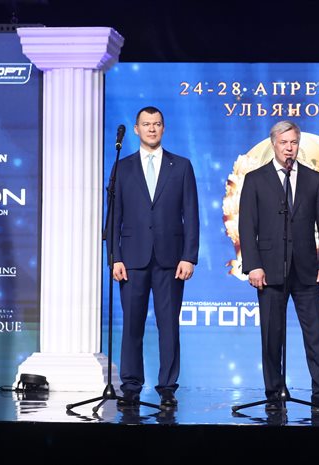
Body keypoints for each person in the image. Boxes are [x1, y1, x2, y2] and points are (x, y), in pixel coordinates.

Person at [238, 120, 319, 413]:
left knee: (317, 335)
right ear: (273, 144)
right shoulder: (255, 179)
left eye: (294, 143)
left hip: (306, 270)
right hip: (269, 270)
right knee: (271, 336)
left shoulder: (314, 179)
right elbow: (247, 227)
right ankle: (274, 394)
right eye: (284, 143)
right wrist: (253, 265)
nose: (289, 148)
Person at [108, 106, 199, 409]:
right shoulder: (122, 167)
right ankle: (131, 386)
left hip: (170, 260)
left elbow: (191, 214)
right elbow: (114, 217)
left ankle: (168, 388)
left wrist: (189, 257)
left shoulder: (181, 166)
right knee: (132, 326)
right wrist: (114, 258)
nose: (151, 129)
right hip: (132, 260)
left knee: (168, 326)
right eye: (146, 124)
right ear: (136, 129)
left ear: (163, 128)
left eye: (157, 124)